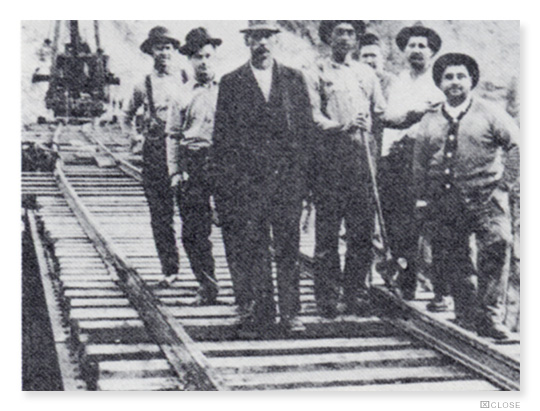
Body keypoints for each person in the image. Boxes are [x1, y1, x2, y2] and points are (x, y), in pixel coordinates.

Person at [212, 21, 314, 335]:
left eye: (268, 36)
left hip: (287, 182)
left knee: (288, 247)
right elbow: (223, 139)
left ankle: (291, 313)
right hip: (248, 184)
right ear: (248, 41)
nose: (263, 43)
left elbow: (306, 133)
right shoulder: (232, 82)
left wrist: (306, 183)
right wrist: (225, 189)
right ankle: (262, 314)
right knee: (253, 247)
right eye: (256, 37)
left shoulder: (294, 79)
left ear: (275, 41)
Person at [412, 53, 519, 340]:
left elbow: (517, 146)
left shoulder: (490, 112)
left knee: (497, 244)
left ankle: (491, 316)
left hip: (488, 197)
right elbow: (420, 162)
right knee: (453, 255)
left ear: (471, 80)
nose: (455, 82)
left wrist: (505, 184)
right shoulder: (431, 118)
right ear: (440, 83)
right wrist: (422, 197)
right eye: (449, 77)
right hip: (446, 198)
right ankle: (466, 313)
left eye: (461, 76)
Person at [308, 20, 386, 318]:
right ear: (328, 37)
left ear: (356, 39)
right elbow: (312, 115)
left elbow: (381, 111)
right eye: (339, 32)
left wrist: (414, 114)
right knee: (327, 232)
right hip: (329, 162)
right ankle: (327, 297)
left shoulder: (367, 73)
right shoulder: (316, 72)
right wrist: (343, 126)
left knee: (361, 233)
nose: (345, 37)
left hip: (362, 162)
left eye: (350, 32)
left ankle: (357, 294)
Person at [379, 25, 446, 302]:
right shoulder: (398, 81)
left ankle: (435, 289)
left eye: (422, 46)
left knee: (424, 223)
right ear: (404, 51)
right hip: (395, 157)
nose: (416, 50)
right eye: (412, 46)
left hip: (426, 159)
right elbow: (390, 118)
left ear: (432, 51)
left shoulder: (439, 83)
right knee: (394, 218)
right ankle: (401, 276)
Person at [124, 26, 187, 286]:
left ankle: (199, 270)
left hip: (183, 150)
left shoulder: (186, 78)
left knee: (190, 211)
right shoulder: (143, 84)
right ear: (151, 51)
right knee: (160, 214)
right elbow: (126, 117)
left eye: (168, 48)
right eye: (159, 48)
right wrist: (134, 137)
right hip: (155, 152)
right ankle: (169, 269)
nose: (164, 53)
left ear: (174, 51)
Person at [166, 27, 222, 305]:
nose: (203, 62)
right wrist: (175, 171)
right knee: (194, 230)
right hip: (194, 162)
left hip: (225, 162)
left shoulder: (230, 89)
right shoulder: (181, 94)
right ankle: (207, 285)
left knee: (238, 225)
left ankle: (248, 292)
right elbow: (173, 135)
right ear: (189, 60)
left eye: (208, 56)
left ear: (215, 56)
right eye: (197, 57)